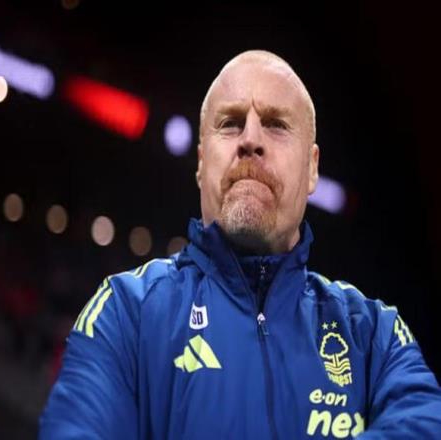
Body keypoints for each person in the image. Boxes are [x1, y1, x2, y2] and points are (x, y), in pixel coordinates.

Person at [39, 50, 441, 439]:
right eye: (230, 123)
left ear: (312, 167)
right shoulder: (126, 313)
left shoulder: (373, 334)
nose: (250, 139)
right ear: (201, 162)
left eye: (276, 125)